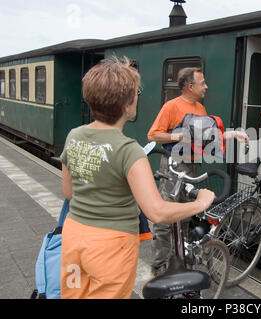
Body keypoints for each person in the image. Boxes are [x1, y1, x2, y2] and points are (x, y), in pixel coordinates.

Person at [59, 57, 215, 299]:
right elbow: (157, 212)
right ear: (126, 105)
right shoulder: (128, 150)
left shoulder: (74, 135)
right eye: (136, 92)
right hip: (111, 246)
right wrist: (201, 203)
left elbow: (69, 193)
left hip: (73, 236)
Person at [147, 67, 248, 276]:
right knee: (165, 218)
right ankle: (158, 267)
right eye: (203, 83)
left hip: (192, 167)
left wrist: (233, 134)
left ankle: (179, 261)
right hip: (174, 166)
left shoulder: (201, 109)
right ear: (190, 86)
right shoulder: (171, 106)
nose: (206, 87)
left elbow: (208, 137)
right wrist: (178, 137)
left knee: (184, 215)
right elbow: (153, 135)